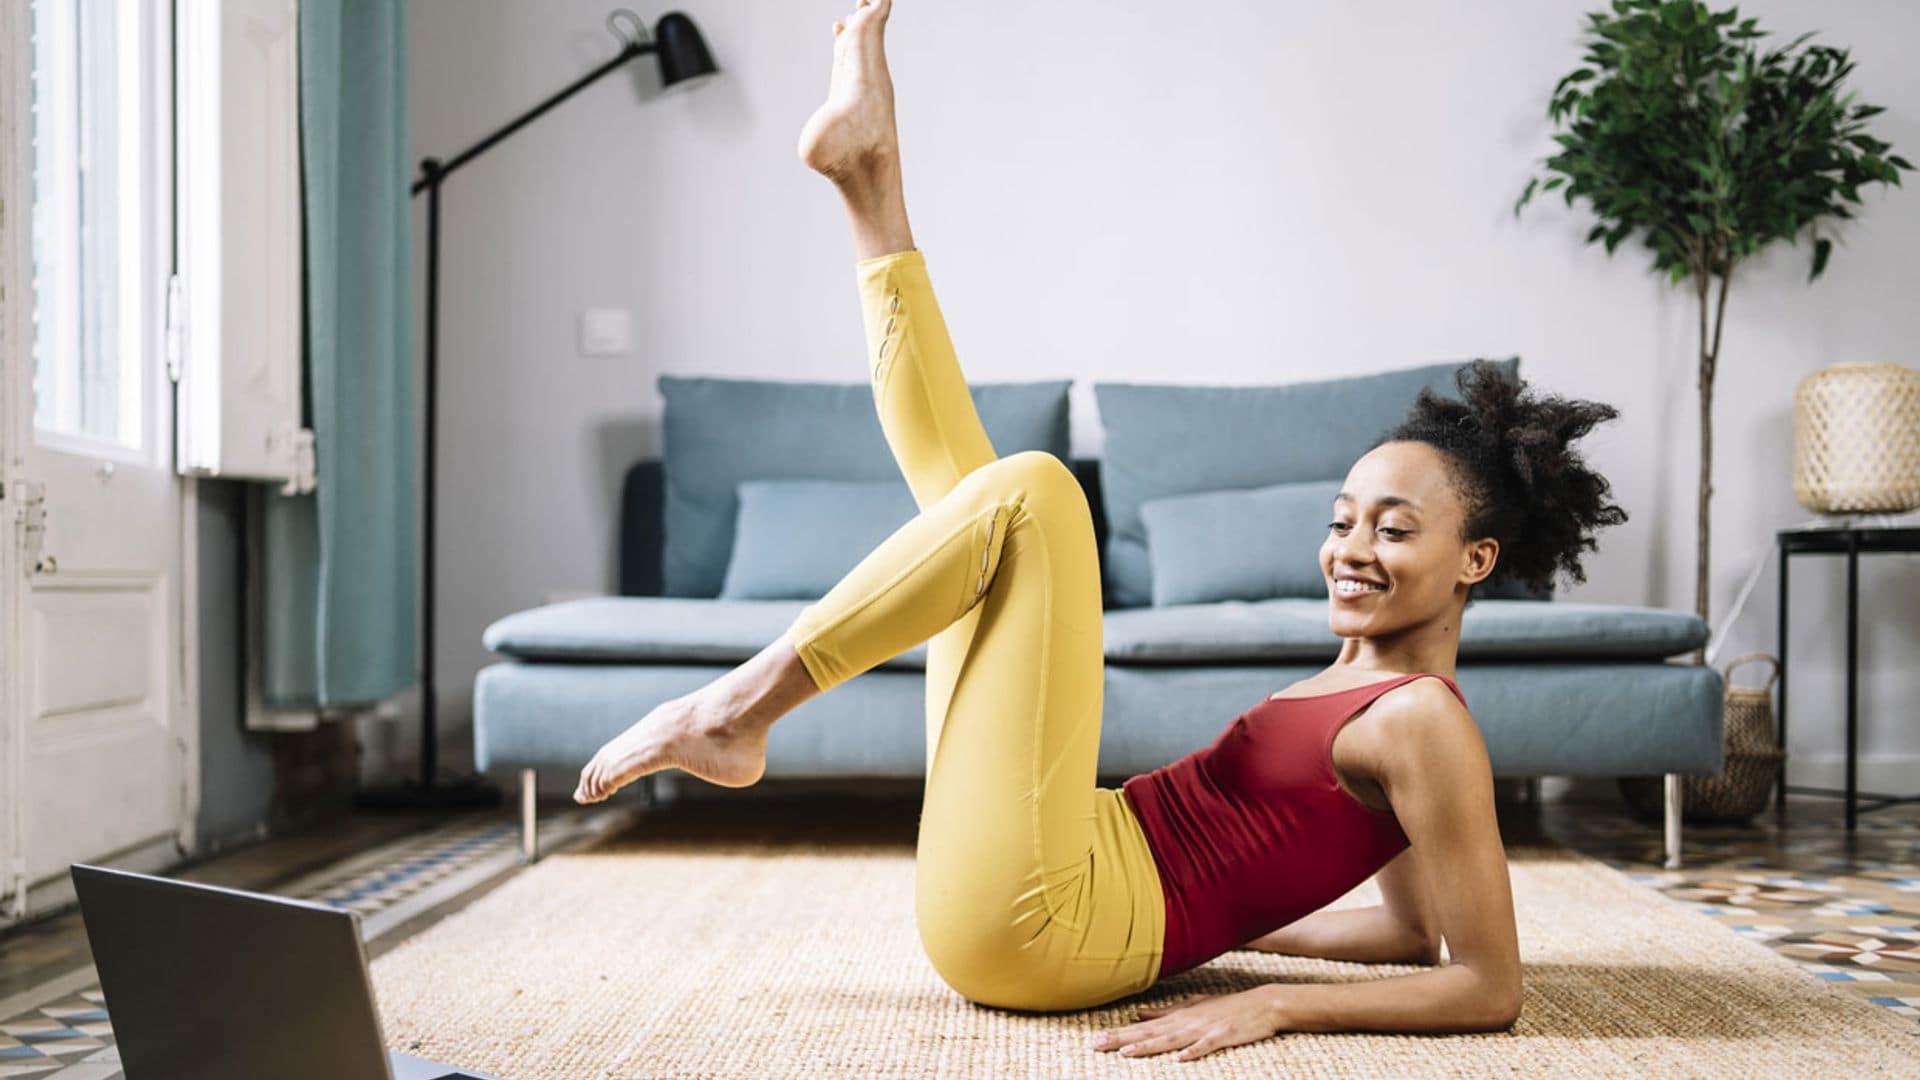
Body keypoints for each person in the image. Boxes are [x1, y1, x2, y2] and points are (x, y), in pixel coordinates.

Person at [574, 0, 1627, 1062]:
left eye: (1393, 531)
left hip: (1050, 926)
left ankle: (736, 710)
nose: (1352, 549)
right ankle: (870, 187)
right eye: (1342, 519)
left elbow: (1486, 984)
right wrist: (1231, 940)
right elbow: (1406, 930)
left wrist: (1273, 1002)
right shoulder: (1364, 689)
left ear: (1475, 562)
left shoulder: (1425, 722)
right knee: (975, 497)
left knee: (1033, 493)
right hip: (1066, 872)